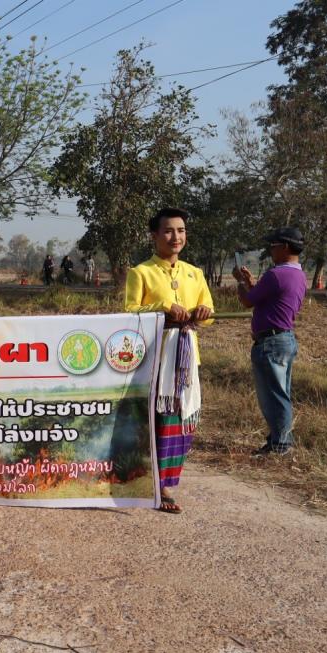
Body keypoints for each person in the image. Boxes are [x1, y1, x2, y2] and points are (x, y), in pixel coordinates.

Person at [124, 207, 214, 514]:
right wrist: (164, 306)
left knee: (180, 420)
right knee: (157, 419)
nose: (176, 237)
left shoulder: (195, 273)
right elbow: (130, 311)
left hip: (187, 358)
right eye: (168, 231)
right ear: (154, 236)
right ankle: (154, 484)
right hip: (154, 359)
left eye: (181, 231)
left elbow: (209, 314)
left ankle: (167, 481)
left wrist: (202, 314)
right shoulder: (141, 273)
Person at [234, 227, 307, 456]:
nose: (271, 251)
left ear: (285, 247)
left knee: (273, 396)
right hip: (284, 338)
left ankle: (281, 444)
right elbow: (263, 298)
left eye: (273, 246)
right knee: (280, 392)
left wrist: (239, 282)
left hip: (271, 343)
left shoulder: (276, 274)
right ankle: (279, 438)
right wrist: (251, 282)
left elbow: (248, 301)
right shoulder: (298, 275)